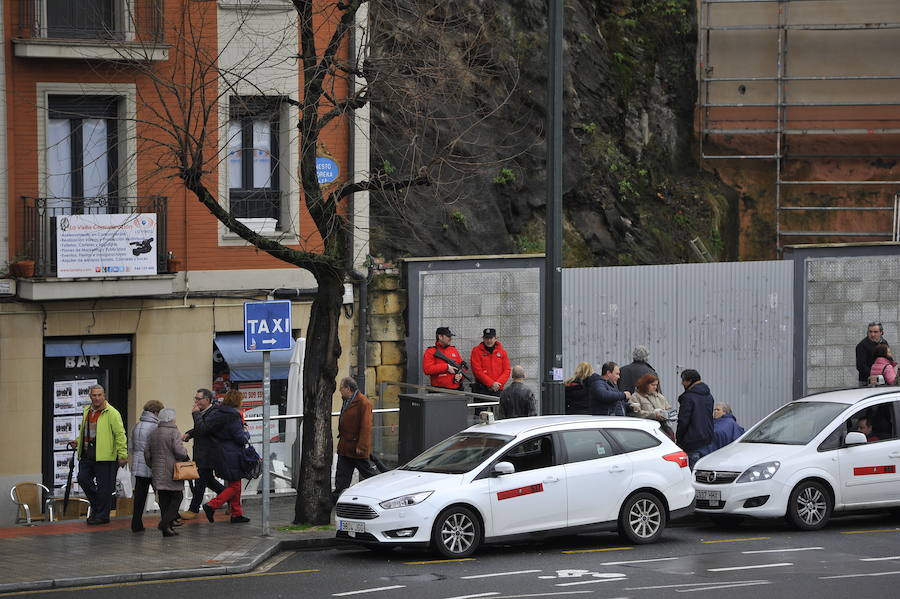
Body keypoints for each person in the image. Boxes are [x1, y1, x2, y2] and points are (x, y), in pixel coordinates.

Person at [68, 385, 127, 525]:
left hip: (105, 456)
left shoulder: (112, 413)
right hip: (87, 454)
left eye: (99, 395)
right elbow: (86, 432)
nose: (97, 398)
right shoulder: (87, 411)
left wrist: (122, 454)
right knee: (82, 479)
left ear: (104, 395)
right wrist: (77, 442)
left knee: (104, 488)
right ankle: (98, 506)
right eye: (94, 395)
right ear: (90, 396)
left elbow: (120, 434)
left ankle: (102, 515)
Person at [198, 390, 251, 524]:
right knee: (235, 486)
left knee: (235, 484)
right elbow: (240, 438)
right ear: (237, 401)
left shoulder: (218, 413)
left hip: (220, 452)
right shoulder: (233, 416)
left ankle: (236, 513)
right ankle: (212, 505)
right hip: (232, 453)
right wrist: (246, 432)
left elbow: (207, 429)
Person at [180, 389, 226, 520]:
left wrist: (195, 414)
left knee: (200, 481)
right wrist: (189, 433)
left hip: (209, 454)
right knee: (208, 481)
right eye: (195, 399)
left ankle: (193, 509)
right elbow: (199, 428)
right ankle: (230, 498)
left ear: (207, 399)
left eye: (198, 399)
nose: (196, 402)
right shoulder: (204, 413)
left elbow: (204, 429)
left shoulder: (215, 412)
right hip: (201, 453)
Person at [332, 377, 379, 503]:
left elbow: (366, 426)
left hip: (356, 449)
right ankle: (337, 500)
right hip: (345, 447)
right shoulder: (347, 400)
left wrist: (362, 447)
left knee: (370, 475)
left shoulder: (363, 403)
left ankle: (382, 493)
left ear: (348, 388)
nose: (340, 391)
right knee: (341, 477)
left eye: (341, 388)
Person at [144, 408, 189, 537]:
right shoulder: (174, 432)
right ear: (172, 419)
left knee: (164, 500)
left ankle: (167, 529)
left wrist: (152, 465)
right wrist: (185, 454)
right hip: (172, 471)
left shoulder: (154, 432)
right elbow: (179, 452)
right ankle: (164, 523)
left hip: (157, 470)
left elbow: (147, 453)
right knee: (177, 497)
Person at [128, 399, 164, 533]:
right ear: (155, 412)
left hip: (138, 466)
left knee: (139, 497)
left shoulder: (136, 426)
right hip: (152, 466)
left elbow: (131, 447)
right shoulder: (156, 427)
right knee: (162, 495)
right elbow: (156, 448)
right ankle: (166, 521)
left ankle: (136, 523)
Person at [676, 369, 715, 469]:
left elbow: (683, 421)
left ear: (689, 381)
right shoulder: (709, 396)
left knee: (692, 475)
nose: (682, 383)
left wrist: (679, 439)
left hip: (692, 442)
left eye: (683, 381)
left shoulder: (688, 398)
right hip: (707, 440)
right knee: (704, 473)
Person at [628, 373, 673, 439]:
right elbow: (636, 414)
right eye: (652, 385)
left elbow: (668, 409)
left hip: (662, 429)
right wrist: (654, 415)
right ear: (645, 385)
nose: (655, 387)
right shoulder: (636, 396)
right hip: (646, 430)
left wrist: (669, 415)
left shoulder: (659, 396)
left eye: (656, 385)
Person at [470, 328, 511, 397]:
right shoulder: (476, 351)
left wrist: (498, 384)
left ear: (495, 338)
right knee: (481, 407)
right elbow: (477, 371)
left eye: (491, 338)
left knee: (499, 408)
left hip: (498, 388)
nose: (489, 341)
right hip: (482, 389)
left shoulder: (502, 351)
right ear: (483, 339)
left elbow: (507, 370)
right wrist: (491, 383)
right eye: (486, 338)